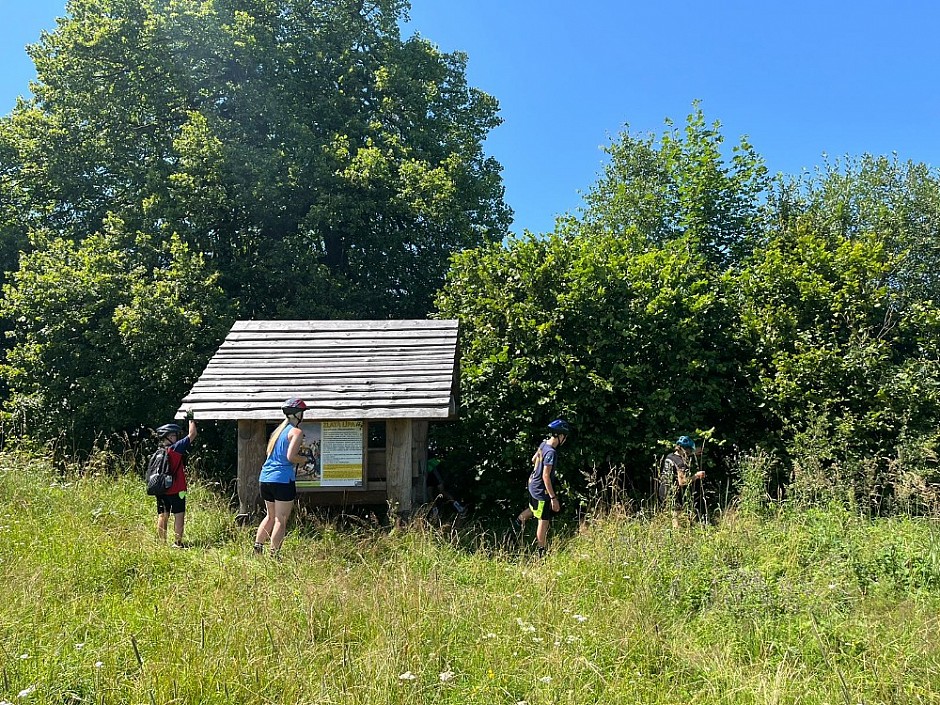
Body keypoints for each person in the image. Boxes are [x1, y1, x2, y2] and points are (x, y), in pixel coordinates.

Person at [253, 398, 307, 557]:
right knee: (281, 520)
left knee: (270, 516)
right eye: (302, 412)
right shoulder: (296, 432)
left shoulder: (277, 431)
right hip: (282, 480)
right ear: (297, 414)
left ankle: (258, 548)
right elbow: (291, 457)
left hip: (266, 478)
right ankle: (274, 555)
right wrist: (304, 459)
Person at [515, 418, 571, 556]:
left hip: (532, 484)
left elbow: (534, 459)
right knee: (543, 520)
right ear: (560, 435)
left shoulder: (543, 444)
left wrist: (537, 470)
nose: (565, 439)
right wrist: (553, 498)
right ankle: (541, 552)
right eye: (565, 436)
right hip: (540, 489)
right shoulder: (551, 452)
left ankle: (516, 524)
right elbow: (546, 476)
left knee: (534, 509)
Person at [155, 411, 197, 548]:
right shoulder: (175, 449)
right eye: (173, 435)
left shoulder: (158, 452)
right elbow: (192, 434)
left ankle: (161, 544)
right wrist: (191, 419)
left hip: (161, 489)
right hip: (179, 490)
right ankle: (177, 543)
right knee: (179, 514)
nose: (175, 437)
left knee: (162, 514)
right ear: (166, 436)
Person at [658, 435, 705, 517]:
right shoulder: (680, 463)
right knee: (676, 521)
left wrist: (695, 452)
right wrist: (697, 476)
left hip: (663, 490)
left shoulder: (670, 456)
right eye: (689, 450)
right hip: (672, 493)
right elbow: (682, 482)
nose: (690, 452)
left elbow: (681, 456)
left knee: (670, 516)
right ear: (685, 449)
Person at [426, 454, 466, 518]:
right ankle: (435, 511)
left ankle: (459, 507)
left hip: (434, 469)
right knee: (429, 493)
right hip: (428, 471)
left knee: (441, 491)